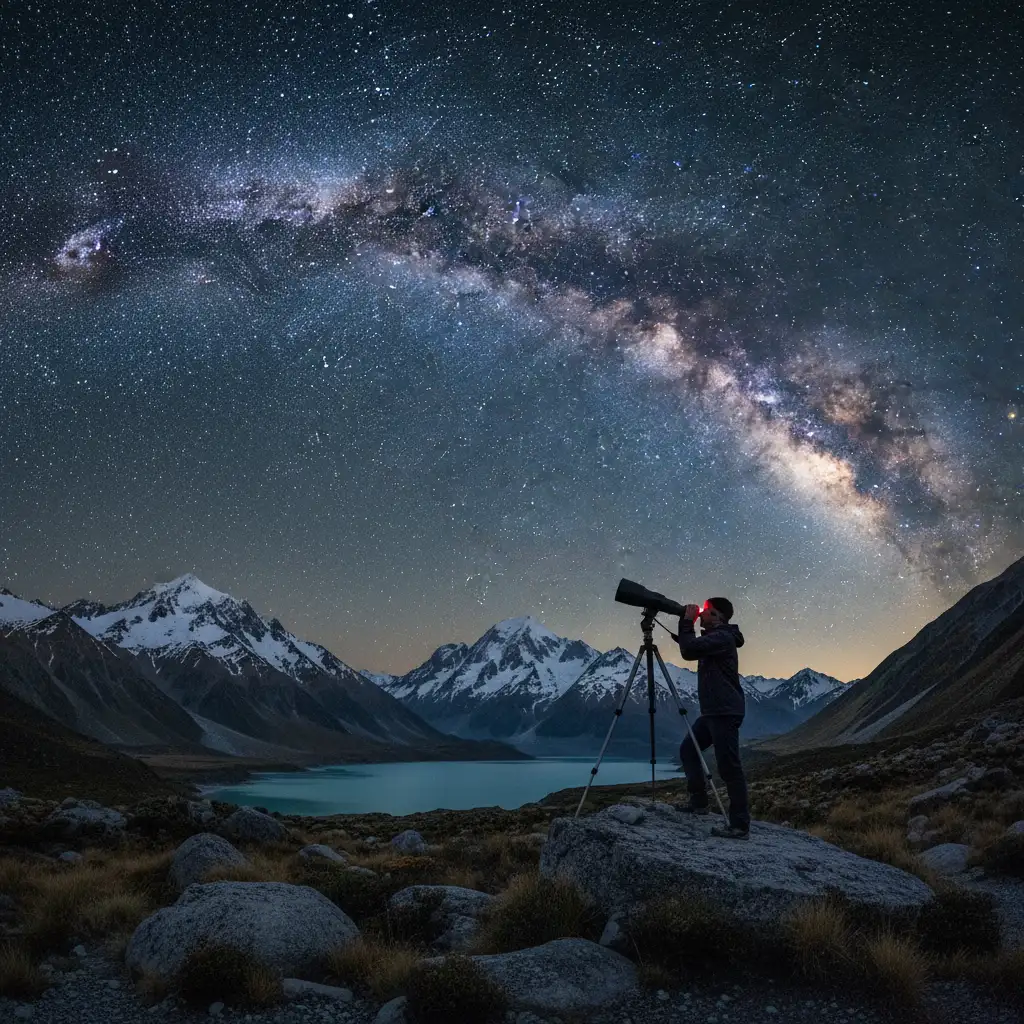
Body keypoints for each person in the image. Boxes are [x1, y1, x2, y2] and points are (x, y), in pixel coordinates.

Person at [674, 597, 750, 840]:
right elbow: (692, 647)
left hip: (724, 712)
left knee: (729, 768)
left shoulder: (723, 637)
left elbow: (688, 650)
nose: (702, 615)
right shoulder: (716, 639)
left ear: (719, 618)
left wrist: (687, 623)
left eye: (707, 612)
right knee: (688, 750)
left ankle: (739, 826)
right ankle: (699, 803)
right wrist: (685, 630)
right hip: (712, 712)